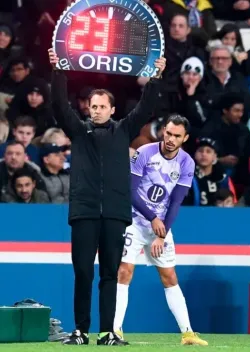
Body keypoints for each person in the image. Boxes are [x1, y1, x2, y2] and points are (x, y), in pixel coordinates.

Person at [48, 48, 167, 346]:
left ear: (113, 110)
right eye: (93, 105)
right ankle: (80, 331)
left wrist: (155, 78)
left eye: (102, 106)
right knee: (84, 274)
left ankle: (108, 333)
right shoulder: (77, 130)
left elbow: (146, 107)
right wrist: (58, 72)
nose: (97, 110)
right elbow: (60, 106)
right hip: (85, 213)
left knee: (110, 276)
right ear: (88, 108)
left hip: (114, 213)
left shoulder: (124, 129)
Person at [113, 114, 208, 346]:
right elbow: (132, 193)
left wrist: (160, 232)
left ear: (184, 138)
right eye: (168, 133)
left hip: (161, 226)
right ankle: (115, 330)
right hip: (134, 221)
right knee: (124, 272)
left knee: (169, 276)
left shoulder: (186, 162)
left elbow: (175, 202)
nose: (171, 139)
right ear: (163, 131)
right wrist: (153, 218)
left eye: (177, 136)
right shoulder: (144, 153)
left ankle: (187, 333)